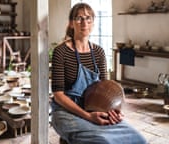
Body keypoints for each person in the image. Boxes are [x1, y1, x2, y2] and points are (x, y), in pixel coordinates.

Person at [50, 3, 147, 144]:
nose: (84, 22)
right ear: (71, 23)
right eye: (79, 18)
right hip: (66, 112)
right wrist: (88, 117)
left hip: (95, 108)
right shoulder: (61, 52)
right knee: (102, 141)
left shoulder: (99, 52)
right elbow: (58, 95)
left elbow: (106, 89)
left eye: (88, 18)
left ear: (93, 23)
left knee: (138, 139)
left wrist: (113, 111)